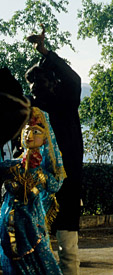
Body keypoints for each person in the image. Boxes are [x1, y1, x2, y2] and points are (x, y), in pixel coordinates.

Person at [25, 28, 84, 274]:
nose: (35, 87)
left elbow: (74, 80)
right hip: (36, 183)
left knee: (67, 241)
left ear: (53, 82)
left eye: (40, 81)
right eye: (32, 83)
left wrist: (45, 52)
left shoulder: (66, 101)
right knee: (33, 240)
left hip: (66, 179)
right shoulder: (32, 110)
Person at [0, 107, 66, 274]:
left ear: (45, 139)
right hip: (10, 219)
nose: (29, 136)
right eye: (27, 131)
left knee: (39, 256)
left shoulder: (42, 172)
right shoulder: (13, 166)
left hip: (32, 221)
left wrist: (35, 187)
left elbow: (55, 184)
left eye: (36, 131)